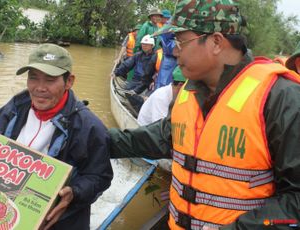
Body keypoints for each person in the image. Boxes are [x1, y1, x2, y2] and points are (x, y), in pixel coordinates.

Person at [109, 1, 300, 229]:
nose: (174, 50)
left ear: (216, 42)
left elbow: (295, 205)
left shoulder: (281, 98)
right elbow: (160, 138)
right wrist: (96, 139)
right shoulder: (188, 91)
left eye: (180, 41)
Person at [0, 44, 113, 230]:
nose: (39, 88)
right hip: (6, 199)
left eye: (50, 80)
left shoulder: (89, 126)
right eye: (33, 78)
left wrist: (74, 192)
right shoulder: (17, 105)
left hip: (55, 219)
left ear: (69, 81)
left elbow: (99, 176)